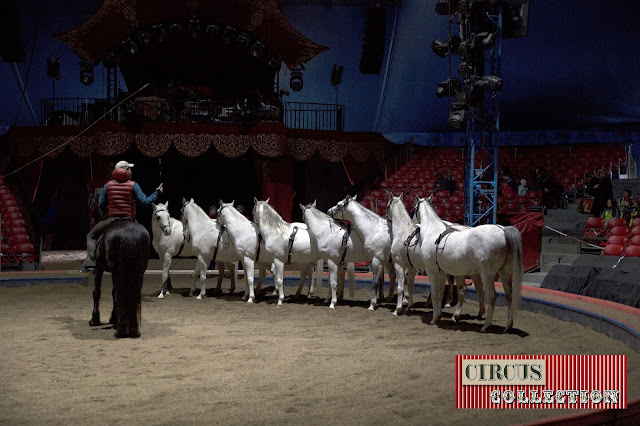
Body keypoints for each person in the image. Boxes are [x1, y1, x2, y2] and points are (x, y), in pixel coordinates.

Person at [82, 161, 163, 273]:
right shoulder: (134, 185)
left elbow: (100, 204)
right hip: (130, 219)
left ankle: (91, 264)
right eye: (129, 169)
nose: (131, 171)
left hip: (112, 219)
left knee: (91, 236)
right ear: (125, 170)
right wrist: (157, 192)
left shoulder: (108, 185)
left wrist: (107, 214)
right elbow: (144, 202)